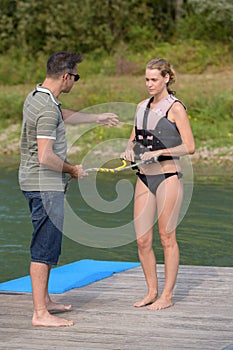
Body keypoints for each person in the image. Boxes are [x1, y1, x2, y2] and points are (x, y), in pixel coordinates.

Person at [18, 51, 119, 327]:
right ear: (65, 76)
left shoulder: (37, 96)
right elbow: (45, 156)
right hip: (44, 185)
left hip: (35, 182)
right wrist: (73, 169)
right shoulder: (47, 108)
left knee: (49, 243)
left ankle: (46, 300)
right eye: (76, 76)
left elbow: (63, 114)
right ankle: (40, 313)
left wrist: (97, 118)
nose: (76, 81)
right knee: (44, 246)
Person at [122, 58, 195, 310]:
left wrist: (159, 153)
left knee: (167, 238)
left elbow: (190, 147)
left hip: (168, 177)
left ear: (166, 78)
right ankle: (151, 291)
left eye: (154, 79)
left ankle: (167, 295)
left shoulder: (175, 108)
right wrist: (129, 150)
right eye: (146, 79)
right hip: (144, 177)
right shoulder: (141, 106)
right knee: (142, 240)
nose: (149, 84)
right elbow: (133, 139)